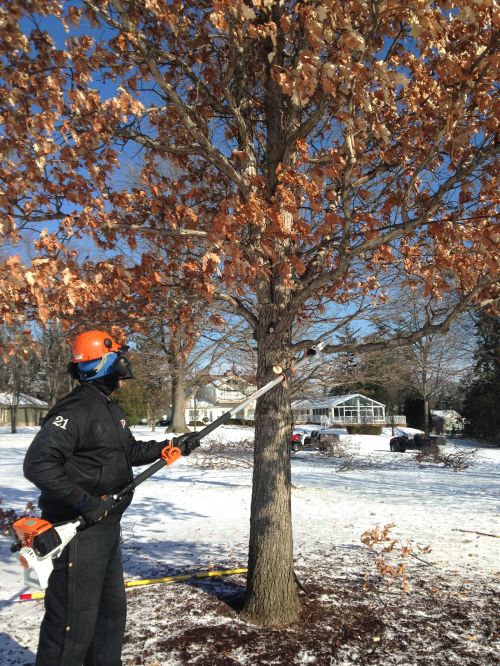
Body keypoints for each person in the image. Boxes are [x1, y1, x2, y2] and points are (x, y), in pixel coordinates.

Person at [23, 330, 196, 666]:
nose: (123, 364)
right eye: (118, 357)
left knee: (109, 618)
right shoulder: (75, 410)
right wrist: (87, 503)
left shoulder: (108, 409)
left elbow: (127, 451)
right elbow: (38, 464)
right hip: (78, 533)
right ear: (105, 363)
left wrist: (171, 447)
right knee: (71, 629)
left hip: (105, 528)